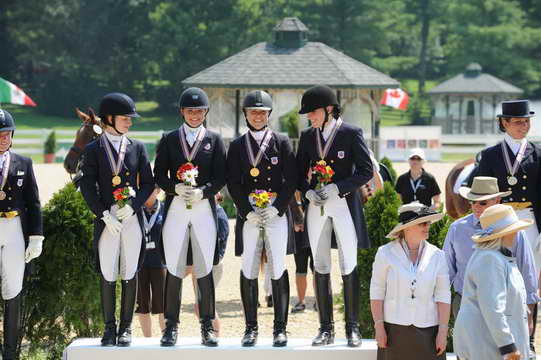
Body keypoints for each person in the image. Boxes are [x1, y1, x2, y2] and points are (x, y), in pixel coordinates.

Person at [296, 84, 373, 347]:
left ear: (329, 109)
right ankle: (325, 328)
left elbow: (365, 171)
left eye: (314, 112)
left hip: (344, 205)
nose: (310, 117)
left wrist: (338, 187)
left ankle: (352, 327)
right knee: (320, 264)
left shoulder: (351, 133)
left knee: (348, 263)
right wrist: (306, 191)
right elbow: (298, 173)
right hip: (316, 207)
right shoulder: (308, 136)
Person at [79, 93, 154, 347]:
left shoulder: (137, 147)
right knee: (108, 272)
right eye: (125, 118)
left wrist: (133, 206)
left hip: (131, 217)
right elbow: (87, 186)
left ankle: (126, 328)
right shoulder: (93, 150)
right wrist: (102, 214)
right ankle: (109, 328)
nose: (129, 123)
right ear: (109, 119)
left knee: (130, 270)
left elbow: (149, 183)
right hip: (107, 218)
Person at [154, 87, 226, 347]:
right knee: (173, 267)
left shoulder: (215, 140)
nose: (195, 115)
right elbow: (159, 175)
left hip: (203, 207)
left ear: (205, 112)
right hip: (175, 206)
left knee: (204, 266)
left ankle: (207, 326)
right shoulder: (170, 139)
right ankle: (170, 326)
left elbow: (221, 176)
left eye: (199, 111)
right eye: (190, 111)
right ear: (182, 112)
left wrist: (204, 192)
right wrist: (175, 187)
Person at [226, 90, 297, 347]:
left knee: (278, 264)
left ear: (269, 114)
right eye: (253, 112)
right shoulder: (236, 146)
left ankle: (280, 328)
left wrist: (278, 207)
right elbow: (233, 182)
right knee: (249, 265)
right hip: (251, 213)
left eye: (262, 112)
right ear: (245, 114)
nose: (257, 116)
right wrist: (245, 210)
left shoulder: (281, 141)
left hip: (276, 211)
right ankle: (251, 328)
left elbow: (292, 179)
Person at [473, 99, 540, 357]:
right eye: (518, 122)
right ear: (504, 123)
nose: (524, 126)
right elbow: (480, 193)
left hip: (530, 220)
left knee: (529, 280)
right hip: (500, 220)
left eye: (526, 121)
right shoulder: (490, 155)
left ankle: (529, 338)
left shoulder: (538, 152)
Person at [443, 177, 539, 326]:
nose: (476, 207)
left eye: (482, 202)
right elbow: (446, 269)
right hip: (466, 300)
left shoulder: (515, 231)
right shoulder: (457, 228)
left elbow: (526, 268)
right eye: (473, 201)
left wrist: (530, 309)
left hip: (505, 302)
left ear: (497, 200)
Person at [370, 202, 450, 360]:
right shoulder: (384, 253)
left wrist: (442, 332)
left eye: (428, 222)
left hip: (429, 331)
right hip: (393, 331)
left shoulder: (438, 255)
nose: (427, 226)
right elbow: (377, 291)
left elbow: (443, 295)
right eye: (422, 223)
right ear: (407, 227)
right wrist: (379, 327)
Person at [454, 204, 531, 360]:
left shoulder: (495, 257)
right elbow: (493, 307)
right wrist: (508, 346)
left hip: (491, 344)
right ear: (504, 233)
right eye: (513, 229)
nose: (517, 233)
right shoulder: (490, 259)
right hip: (488, 346)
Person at [0, 109, 43, 359]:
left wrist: (36, 236)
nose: (4, 138)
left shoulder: (23, 162)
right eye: (0, 134)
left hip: (15, 228)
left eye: (7, 133)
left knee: (14, 288)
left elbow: (33, 202)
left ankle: (10, 352)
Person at [185, 192, 230, 337]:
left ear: (218, 196)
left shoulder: (219, 215)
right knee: (200, 306)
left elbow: (220, 248)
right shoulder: (207, 213)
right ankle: (209, 333)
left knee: (204, 306)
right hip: (199, 266)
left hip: (212, 266)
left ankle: (214, 335)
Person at [135, 187, 166, 337]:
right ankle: (147, 340)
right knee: (142, 305)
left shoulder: (166, 210)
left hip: (160, 263)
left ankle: (166, 336)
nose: (147, 192)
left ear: (158, 191)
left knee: (163, 305)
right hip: (139, 263)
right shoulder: (134, 209)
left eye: (151, 189)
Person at [290, 193, 315, 313]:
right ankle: (301, 301)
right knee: (300, 268)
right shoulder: (295, 180)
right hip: (298, 230)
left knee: (318, 268)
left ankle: (320, 300)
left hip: (315, 227)